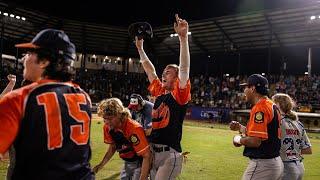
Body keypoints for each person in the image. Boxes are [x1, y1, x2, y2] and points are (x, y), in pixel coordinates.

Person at [0, 29, 94, 180]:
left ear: (44, 61)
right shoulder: (83, 96)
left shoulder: (18, 99)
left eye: (30, 54)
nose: (25, 59)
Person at [134, 14, 191, 179]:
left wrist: (183, 38)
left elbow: (185, 67)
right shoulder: (159, 92)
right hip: (153, 152)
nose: (163, 74)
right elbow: (149, 70)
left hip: (169, 155)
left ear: (176, 78)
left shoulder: (179, 95)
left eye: (169, 72)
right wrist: (140, 48)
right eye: (164, 71)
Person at [229, 74, 283, 180]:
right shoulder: (270, 104)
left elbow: (255, 141)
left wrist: (238, 139)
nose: (244, 90)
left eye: (246, 87)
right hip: (275, 162)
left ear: (253, 88)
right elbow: (264, 133)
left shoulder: (260, 107)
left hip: (263, 164)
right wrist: (240, 128)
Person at [93, 98, 151, 180]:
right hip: (128, 162)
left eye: (110, 118)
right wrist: (100, 165)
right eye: (104, 118)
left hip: (140, 163)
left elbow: (146, 156)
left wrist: (143, 178)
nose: (106, 122)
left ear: (119, 114)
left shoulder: (133, 128)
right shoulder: (108, 127)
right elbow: (113, 147)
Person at [272, 93, 312, 180]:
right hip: (299, 166)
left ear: (278, 105)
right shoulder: (298, 123)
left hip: (285, 167)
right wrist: (292, 152)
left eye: (273, 103)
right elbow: (308, 149)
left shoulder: (278, 122)